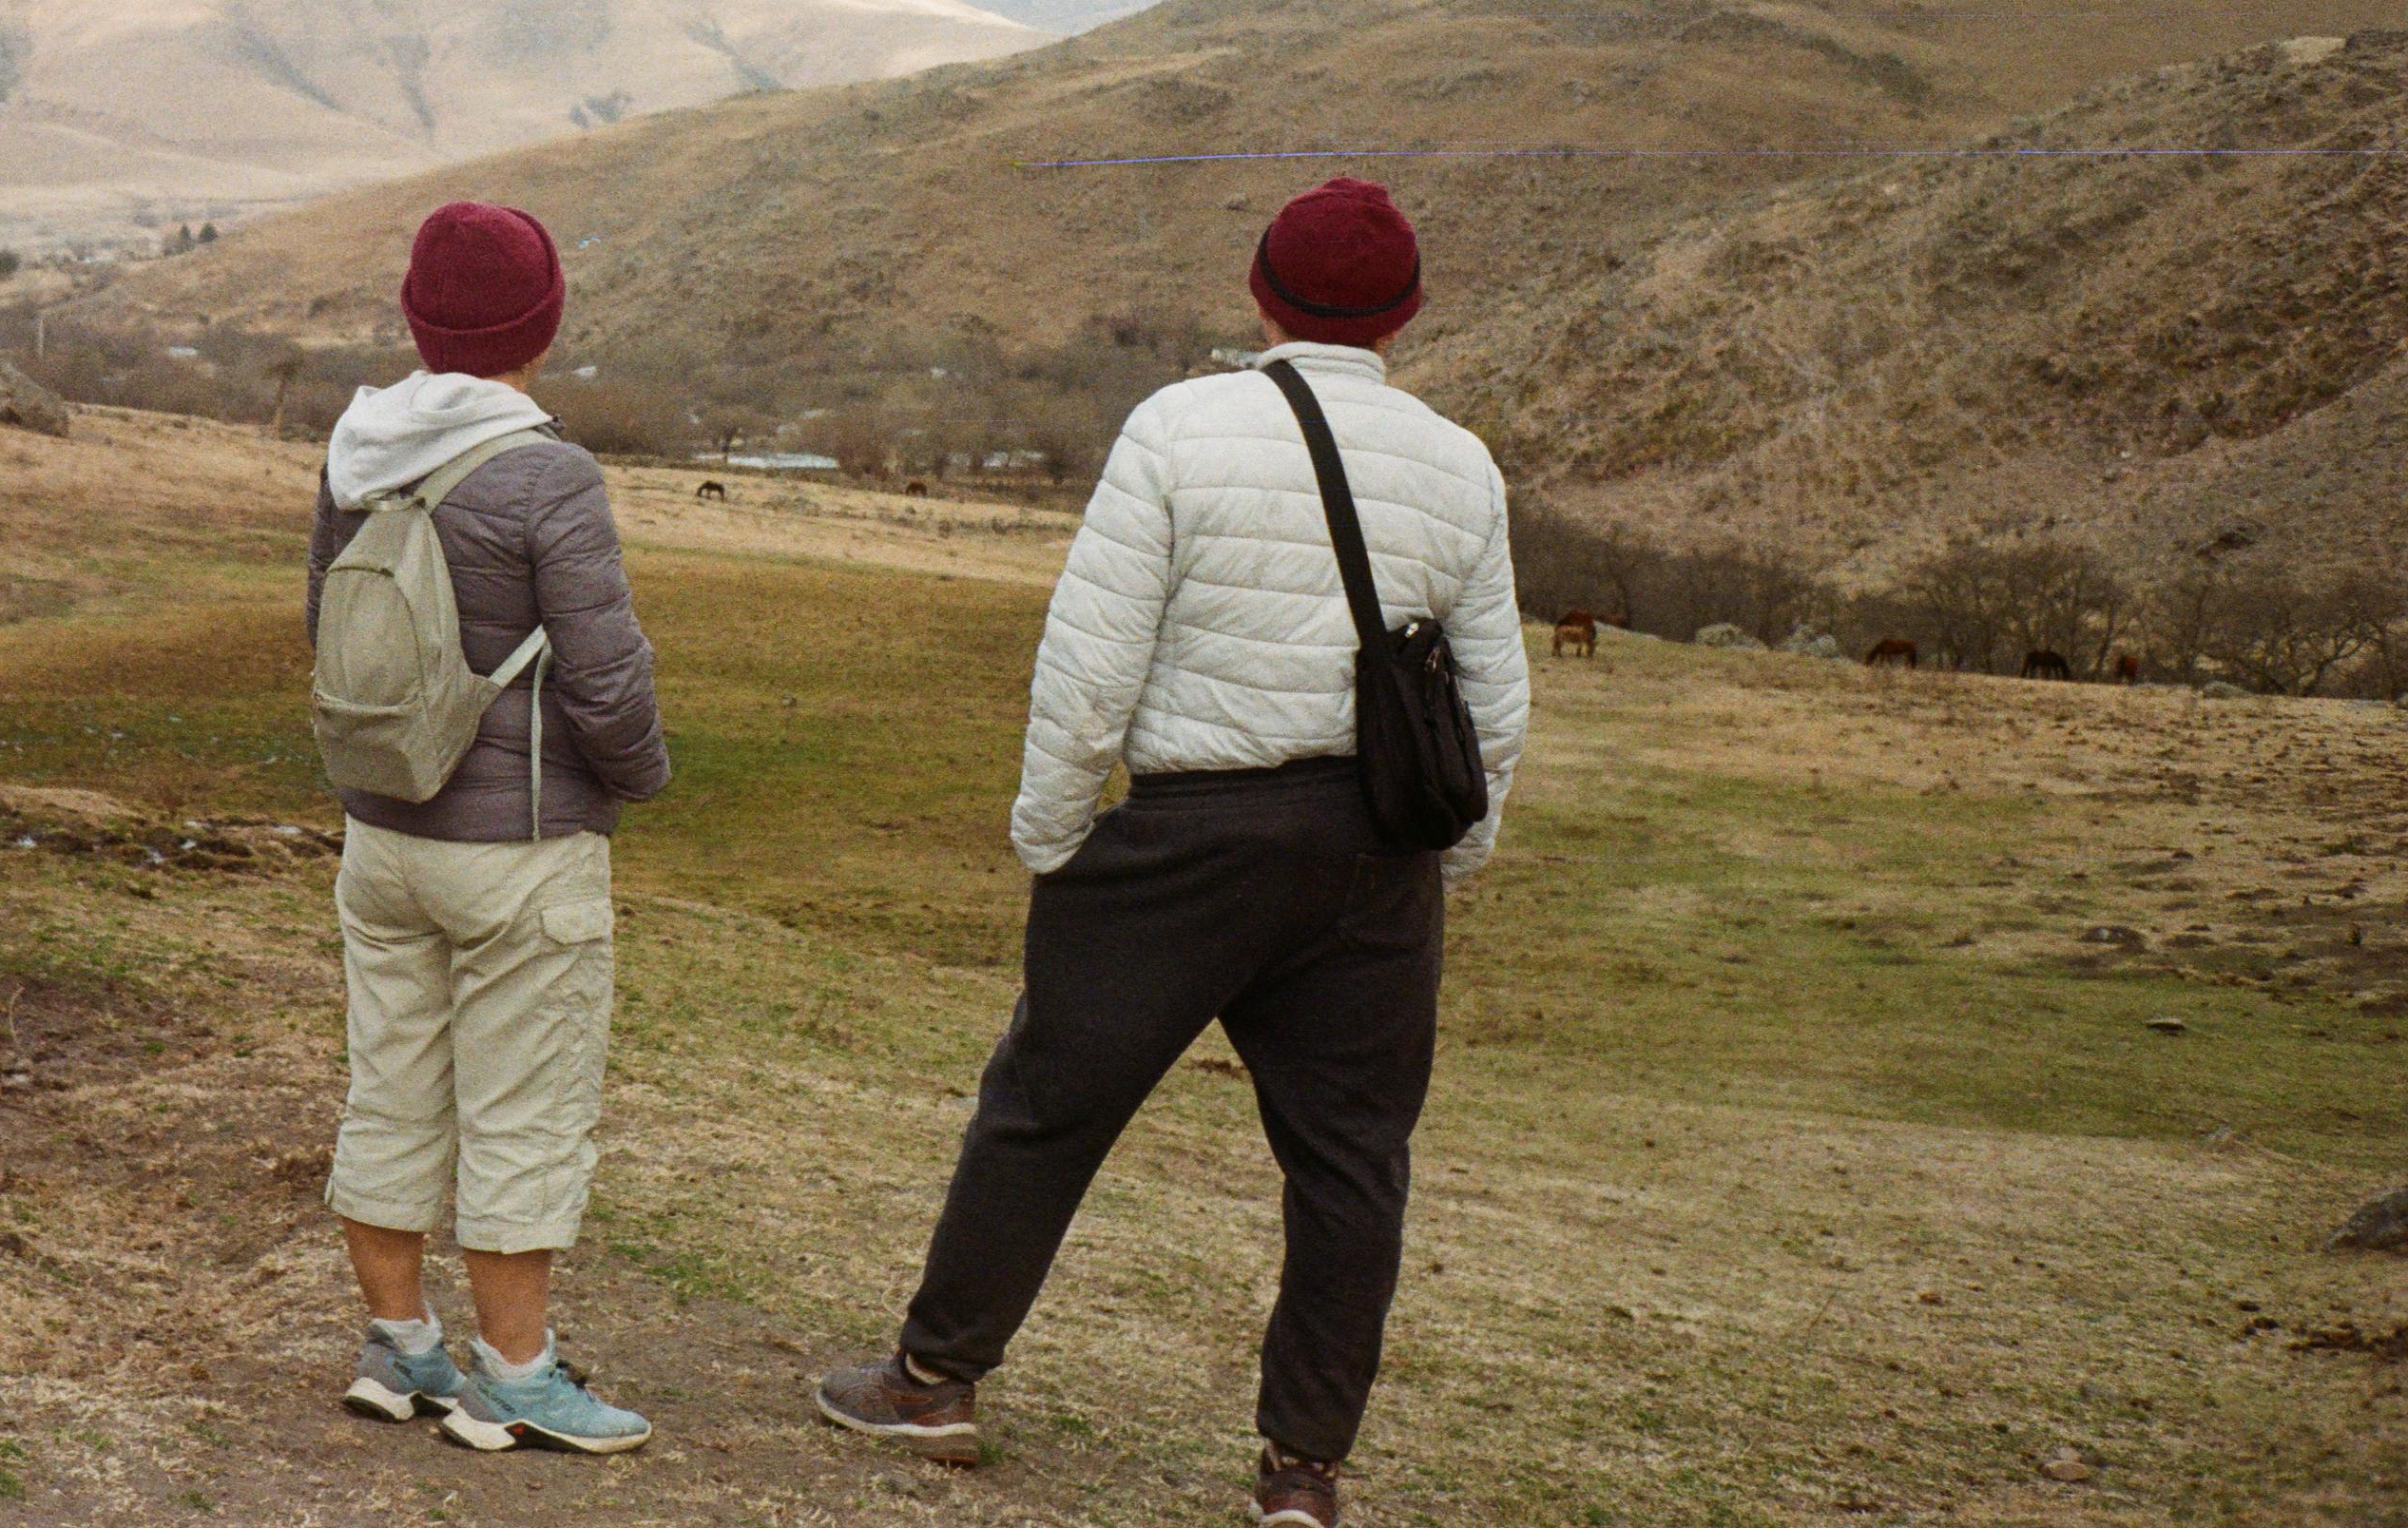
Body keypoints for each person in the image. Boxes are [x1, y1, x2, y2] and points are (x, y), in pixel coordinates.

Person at [812, 178, 1529, 1528]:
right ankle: (1303, 1473)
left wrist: (1053, 833)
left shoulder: (1178, 429)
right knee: (1351, 1162)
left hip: (1188, 831)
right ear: (1407, 318)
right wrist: (1457, 853)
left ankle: (933, 1379)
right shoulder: (1458, 463)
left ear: (1261, 294)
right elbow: (1493, 700)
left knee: (1044, 1109)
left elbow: (1092, 662)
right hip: (1374, 854)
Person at [309, 200, 673, 1456]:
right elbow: (606, 676)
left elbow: (331, 629)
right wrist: (636, 780)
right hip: (520, 848)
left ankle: (399, 1348)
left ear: (418, 317)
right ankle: (515, 1378)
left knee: (392, 1083)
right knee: (525, 1103)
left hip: (383, 833)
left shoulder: (357, 450)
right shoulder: (547, 470)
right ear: (541, 325)